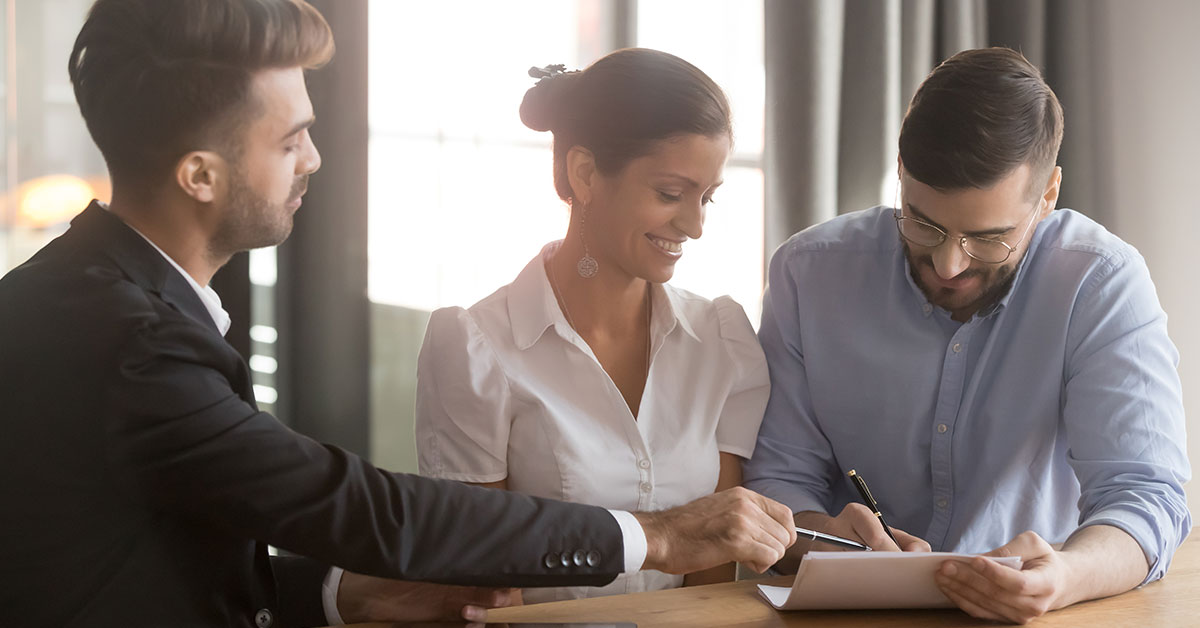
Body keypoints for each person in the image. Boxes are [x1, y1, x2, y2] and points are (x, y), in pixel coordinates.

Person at [0, 1, 798, 626]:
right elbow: (357, 507)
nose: (315, 158)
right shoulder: (133, 342)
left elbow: (166, 565)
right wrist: (655, 534)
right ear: (201, 175)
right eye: (291, 140)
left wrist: (353, 597)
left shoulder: (102, 293)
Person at [742, 47, 1190, 624]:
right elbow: (780, 481)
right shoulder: (808, 274)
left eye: (988, 238)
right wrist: (825, 535)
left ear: (1047, 194)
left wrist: (1065, 576)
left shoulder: (1099, 282)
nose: (949, 265)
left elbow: (1145, 494)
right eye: (923, 223)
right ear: (900, 169)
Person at [414, 48, 769, 604]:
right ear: (584, 173)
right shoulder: (476, 348)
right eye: (670, 194)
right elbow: (476, 573)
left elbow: (712, 574)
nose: (695, 225)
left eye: (708, 198)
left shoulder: (721, 338)